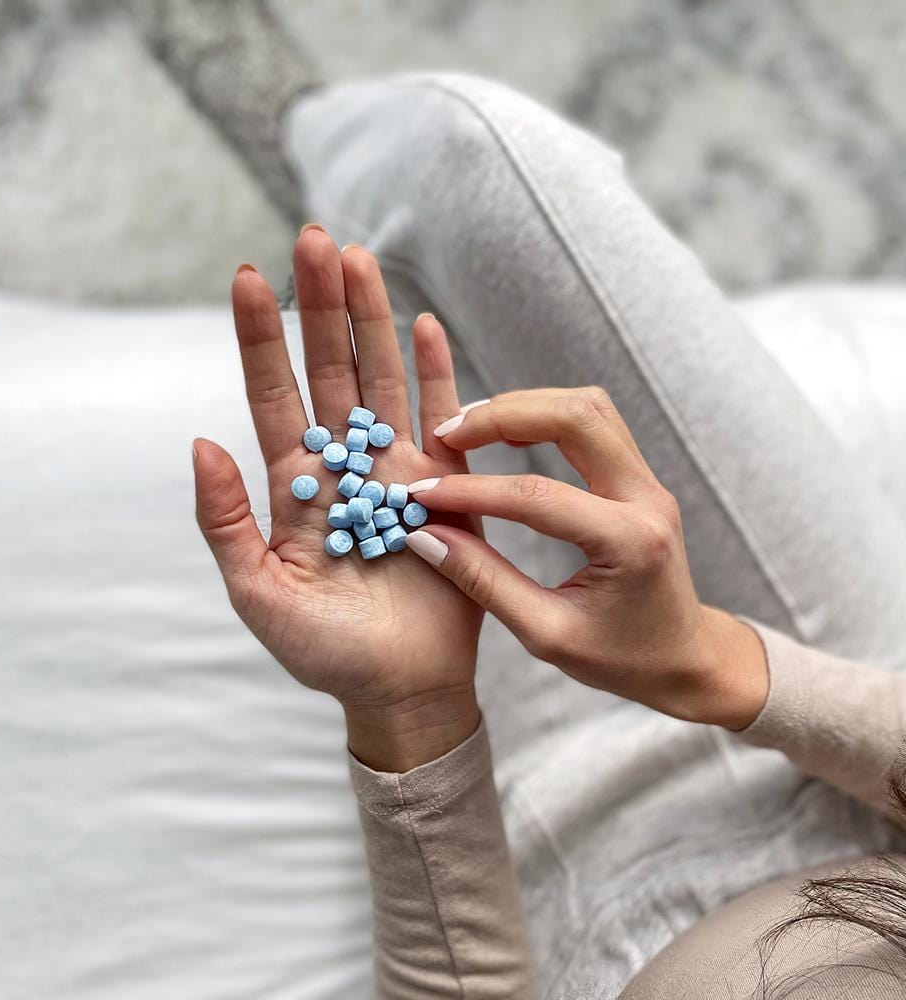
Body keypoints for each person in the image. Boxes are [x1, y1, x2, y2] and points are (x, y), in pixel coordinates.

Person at [192, 74, 906, 998]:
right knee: (474, 155)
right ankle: (304, 122)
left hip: (558, 863)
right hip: (833, 703)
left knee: (398, 351)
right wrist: (708, 662)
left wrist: (411, 713)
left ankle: (312, 172)